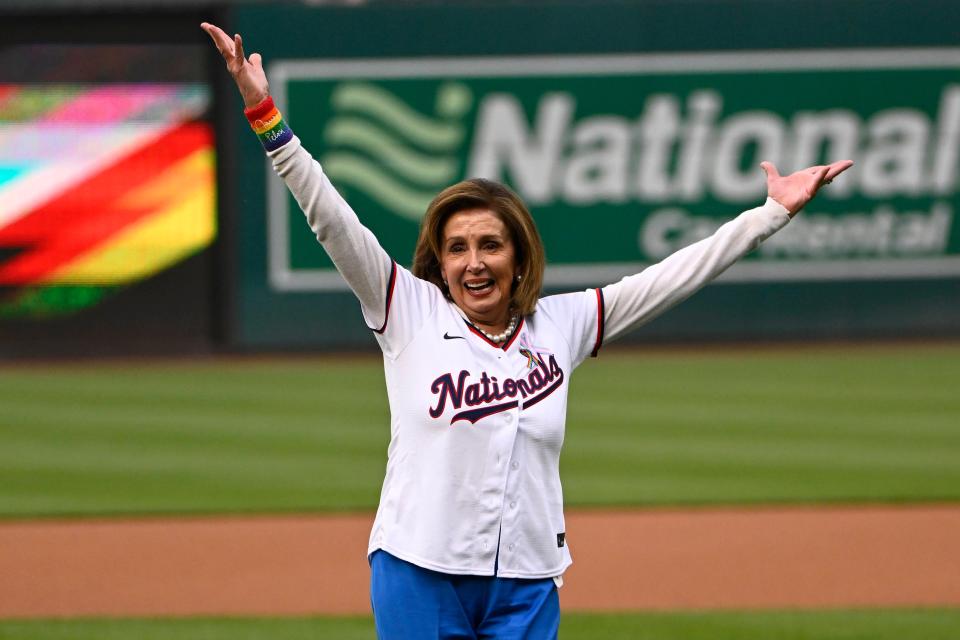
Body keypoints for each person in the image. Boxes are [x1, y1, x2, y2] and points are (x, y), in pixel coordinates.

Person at [202, 22, 852, 639]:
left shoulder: (561, 324)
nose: (473, 261)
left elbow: (674, 276)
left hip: (528, 577)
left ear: (519, 257)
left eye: (490, 244)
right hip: (419, 568)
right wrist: (268, 119)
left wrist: (768, 216)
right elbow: (331, 221)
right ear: (441, 259)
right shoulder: (409, 310)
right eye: (456, 248)